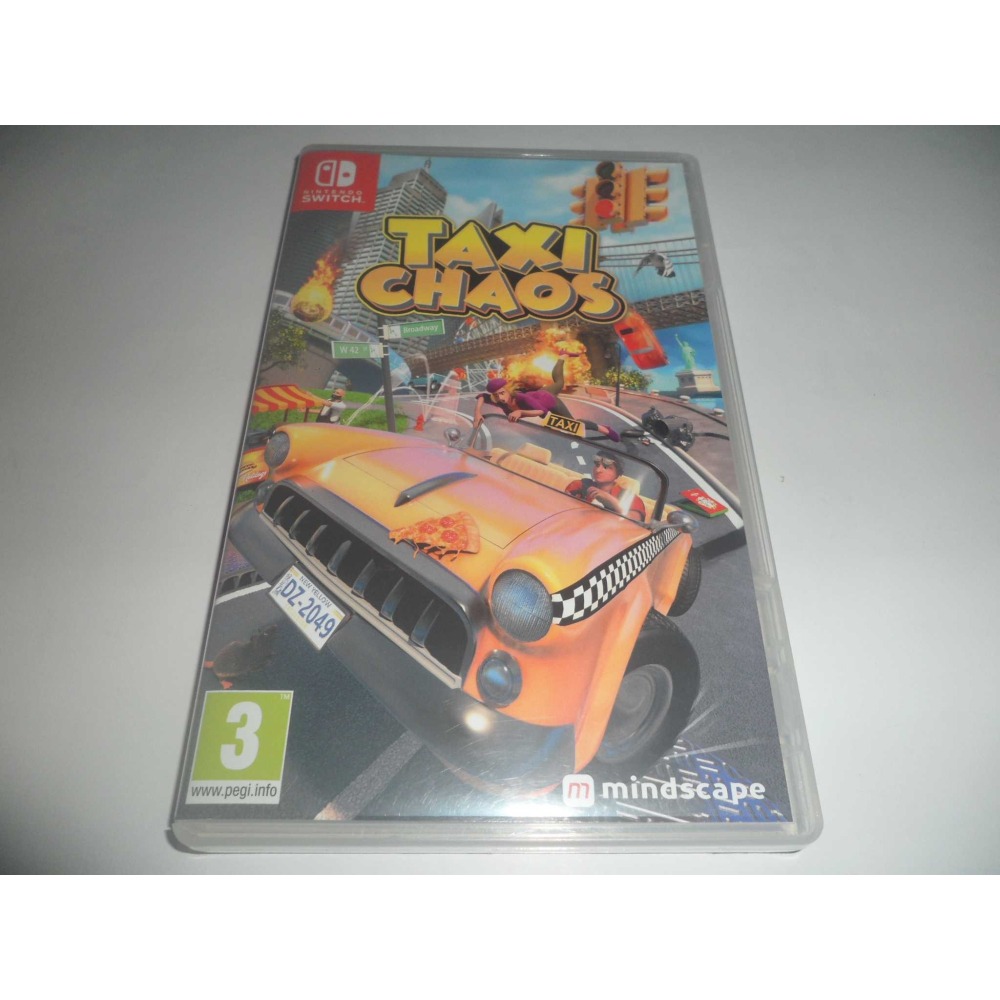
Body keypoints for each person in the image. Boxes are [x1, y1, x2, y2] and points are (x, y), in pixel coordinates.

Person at [473, 358, 620, 441]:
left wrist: (521, 412)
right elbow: (481, 397)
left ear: (508, 390)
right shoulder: (498, 400)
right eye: (496, 395)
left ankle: (604, 429)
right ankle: (561, 357)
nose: (500, 398)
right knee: (559, 383)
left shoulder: (521, 398)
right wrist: (477, 413)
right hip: (540, 394)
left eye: (502, 393)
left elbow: (541, 411)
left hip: (549, 401)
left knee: (572, 425)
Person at [566, 451, 646, 522]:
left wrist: (610, 500)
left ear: (617, 474)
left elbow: (634, 522)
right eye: (597, 465)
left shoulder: (630, 498)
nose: (598, 470)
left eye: (606, 467)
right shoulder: (580, 485)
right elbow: (564, 505)